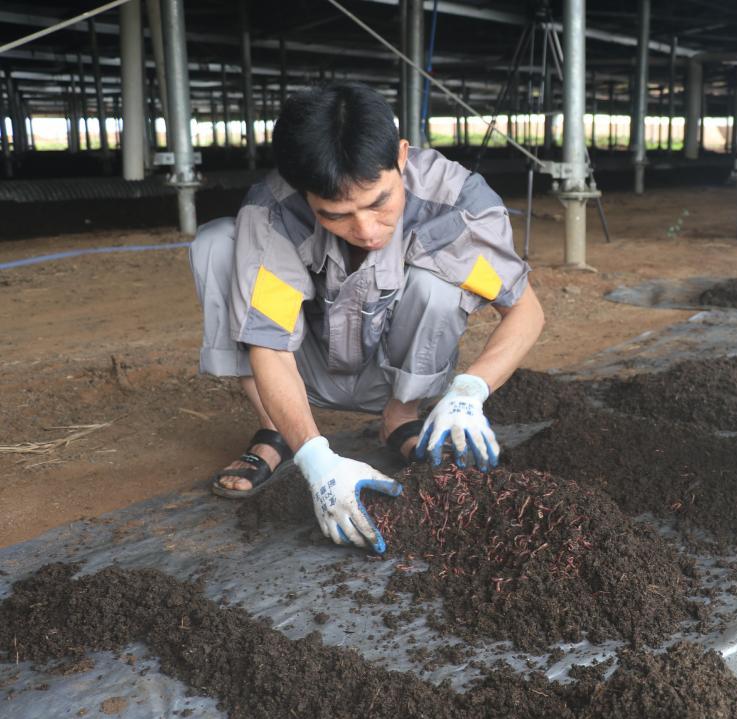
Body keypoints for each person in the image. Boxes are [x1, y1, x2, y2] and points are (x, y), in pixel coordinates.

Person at [190, 82, 544, 552]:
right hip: (301, 367)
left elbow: (524, 310)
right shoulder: (275, 208)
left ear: (401, 156)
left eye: (380, 202)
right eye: (336, 215)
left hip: (396, 367)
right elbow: (270, 346)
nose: (366, 230)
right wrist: (319, 464)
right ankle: (281, 432)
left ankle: (401, 419)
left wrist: (469, 390)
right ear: (304, 194)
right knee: (217, 242)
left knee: (438, 280)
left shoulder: (454, 201)